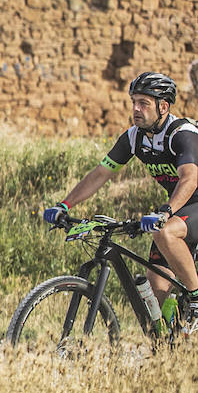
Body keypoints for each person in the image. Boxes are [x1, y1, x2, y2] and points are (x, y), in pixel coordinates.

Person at [43, 71, 198, 332]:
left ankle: (196, 297)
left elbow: (190, 179)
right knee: (153, 309)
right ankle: (170, 352)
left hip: (188, 203)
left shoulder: (182, 134)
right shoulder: (134, 137)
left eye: (144, 103)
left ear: (163, 106)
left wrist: (166, 211)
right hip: (180, 209)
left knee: (165, 231)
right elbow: (101, 173)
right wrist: (65, 205)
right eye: (134, 102)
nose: (136, 109)